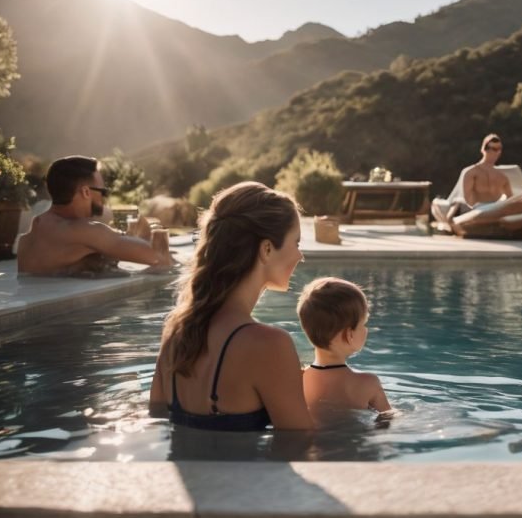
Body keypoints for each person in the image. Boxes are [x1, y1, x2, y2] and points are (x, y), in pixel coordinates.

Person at [149, 181, 314, 431]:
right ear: (267, 249)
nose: (300, 256)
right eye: (297, 243)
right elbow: (301, 445)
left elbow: (157, 419)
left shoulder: (175, 330)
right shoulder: (269, 344)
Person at [16, 156, 172, 276]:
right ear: (85, 192)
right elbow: (159, 257)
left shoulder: (33, 232)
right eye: (103, 192)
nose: (104, 198)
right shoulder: (84, 231)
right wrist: (151, 235)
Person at [297, 277, 391, 425]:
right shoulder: (368, 383)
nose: (366, 329)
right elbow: (387, 421)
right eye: (363, 323)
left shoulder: (297, 380)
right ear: (350, 334)